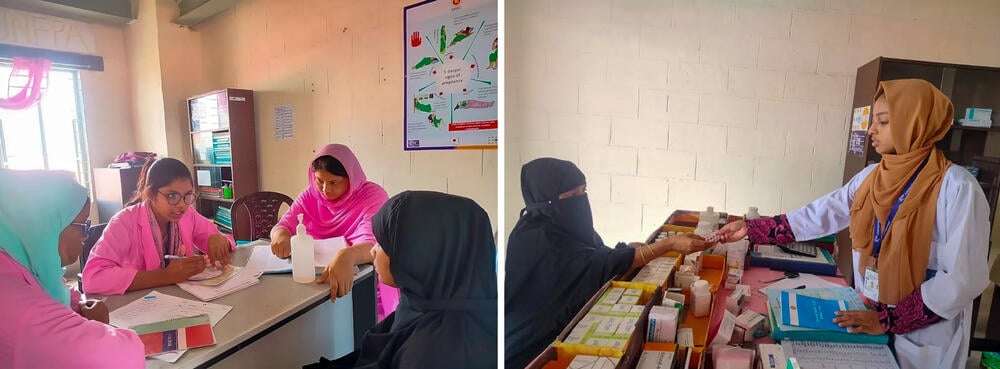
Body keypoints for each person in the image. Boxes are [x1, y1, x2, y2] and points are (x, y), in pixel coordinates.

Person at [716, 79, 989, 369]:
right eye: (874, 121)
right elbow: (822, 212)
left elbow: (962, 279)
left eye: (883, 122)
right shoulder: (873, 176)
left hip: (922, 335)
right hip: (869, 310)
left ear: (914, 124)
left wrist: (888, 320)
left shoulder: (957, 188)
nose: (871, 129)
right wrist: (754, 228)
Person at [505, 158, 714, 369]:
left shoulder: (562, 222)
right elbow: (598, 266)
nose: (580, 200)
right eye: (571, 195)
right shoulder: (536, 239)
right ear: (545, 199)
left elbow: (594, 255)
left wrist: (625, 250)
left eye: (583, 192)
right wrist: (668, 244)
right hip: (532, 349)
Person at [308, 191, 497, 369]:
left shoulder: (431, 354)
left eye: (382, 243)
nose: (373, 250)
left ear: (418, 255)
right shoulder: (424, 302)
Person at [0, 169, 144, 368]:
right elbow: (123, 358)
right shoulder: (125, 219)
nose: (85, 236)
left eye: (187, 196)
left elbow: (58, 290)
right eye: (82, 225)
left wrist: (76, 307)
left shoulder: (17, 262)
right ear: (46, 224)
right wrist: (100, 324)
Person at [270, 144, 397, 320]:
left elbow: (371, 244)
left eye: (333, 182)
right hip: (315, 282)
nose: (325, 190)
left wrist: (348, 255)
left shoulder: (372, 196)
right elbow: (285, 223)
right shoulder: (311, 195)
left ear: (351, 178)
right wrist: (280, 235)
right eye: (319, 181)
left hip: (363, 281)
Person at [83, 158, 234, 294]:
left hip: (180, 300)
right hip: (137, 308)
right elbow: (92, 278)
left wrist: (219, 240)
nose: (182, 205)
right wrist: (166, 276)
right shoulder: (123, 222)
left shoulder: (187, 215)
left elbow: (222, 239)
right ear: (150, 194)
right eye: (172, 196)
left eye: (187, 195)